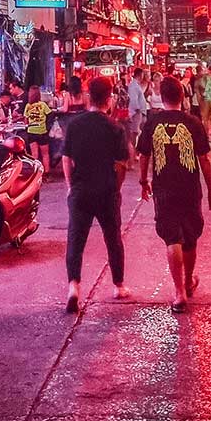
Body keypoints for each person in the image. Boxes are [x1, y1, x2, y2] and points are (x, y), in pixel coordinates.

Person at [138, 76, 211, 313]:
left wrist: (144, 181)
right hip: (189, 187)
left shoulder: (152, 123)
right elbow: (205, 159)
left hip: (164, 188)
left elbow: (144, 155)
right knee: (190, 235)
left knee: (172, 238)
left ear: (161, 97)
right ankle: (187, 281)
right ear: (183, 96)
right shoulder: (193, 123)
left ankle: (179, 293)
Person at [62, 76, 130, 313]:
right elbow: (121, 164)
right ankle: (119, 286)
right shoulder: (115, 128)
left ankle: (73, 286)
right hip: (106, 190)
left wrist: (71, 186)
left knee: (76, 240)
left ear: (89, 96)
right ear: (109, 98)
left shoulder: (74, 125)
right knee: (113, 239)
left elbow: (66, 159)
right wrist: (117, 188)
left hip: (81, 190)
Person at [24, 86, 53, 174]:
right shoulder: (43, 105)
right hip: (42, 131)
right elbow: (50, 114)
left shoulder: (28, 106)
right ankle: (47, 173)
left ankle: (36, 174)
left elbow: (25, 119)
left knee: (34, 155)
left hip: (31, 131)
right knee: (45, 154)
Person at [127, 67, 149, 165]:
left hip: (138, 113)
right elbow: (133, 101)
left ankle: (133, 154)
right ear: (140, 75)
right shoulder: (134, 86)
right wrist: (137, 110)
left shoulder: (136, 85)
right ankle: (131, 155)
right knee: (134, 134)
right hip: (136, 113)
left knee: (136, 133)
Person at [195, 65, 211, 143]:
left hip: (204, 100)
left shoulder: (197, 81)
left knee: (205, 119)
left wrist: (199, 104)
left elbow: (198, 95)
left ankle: (207, 136)